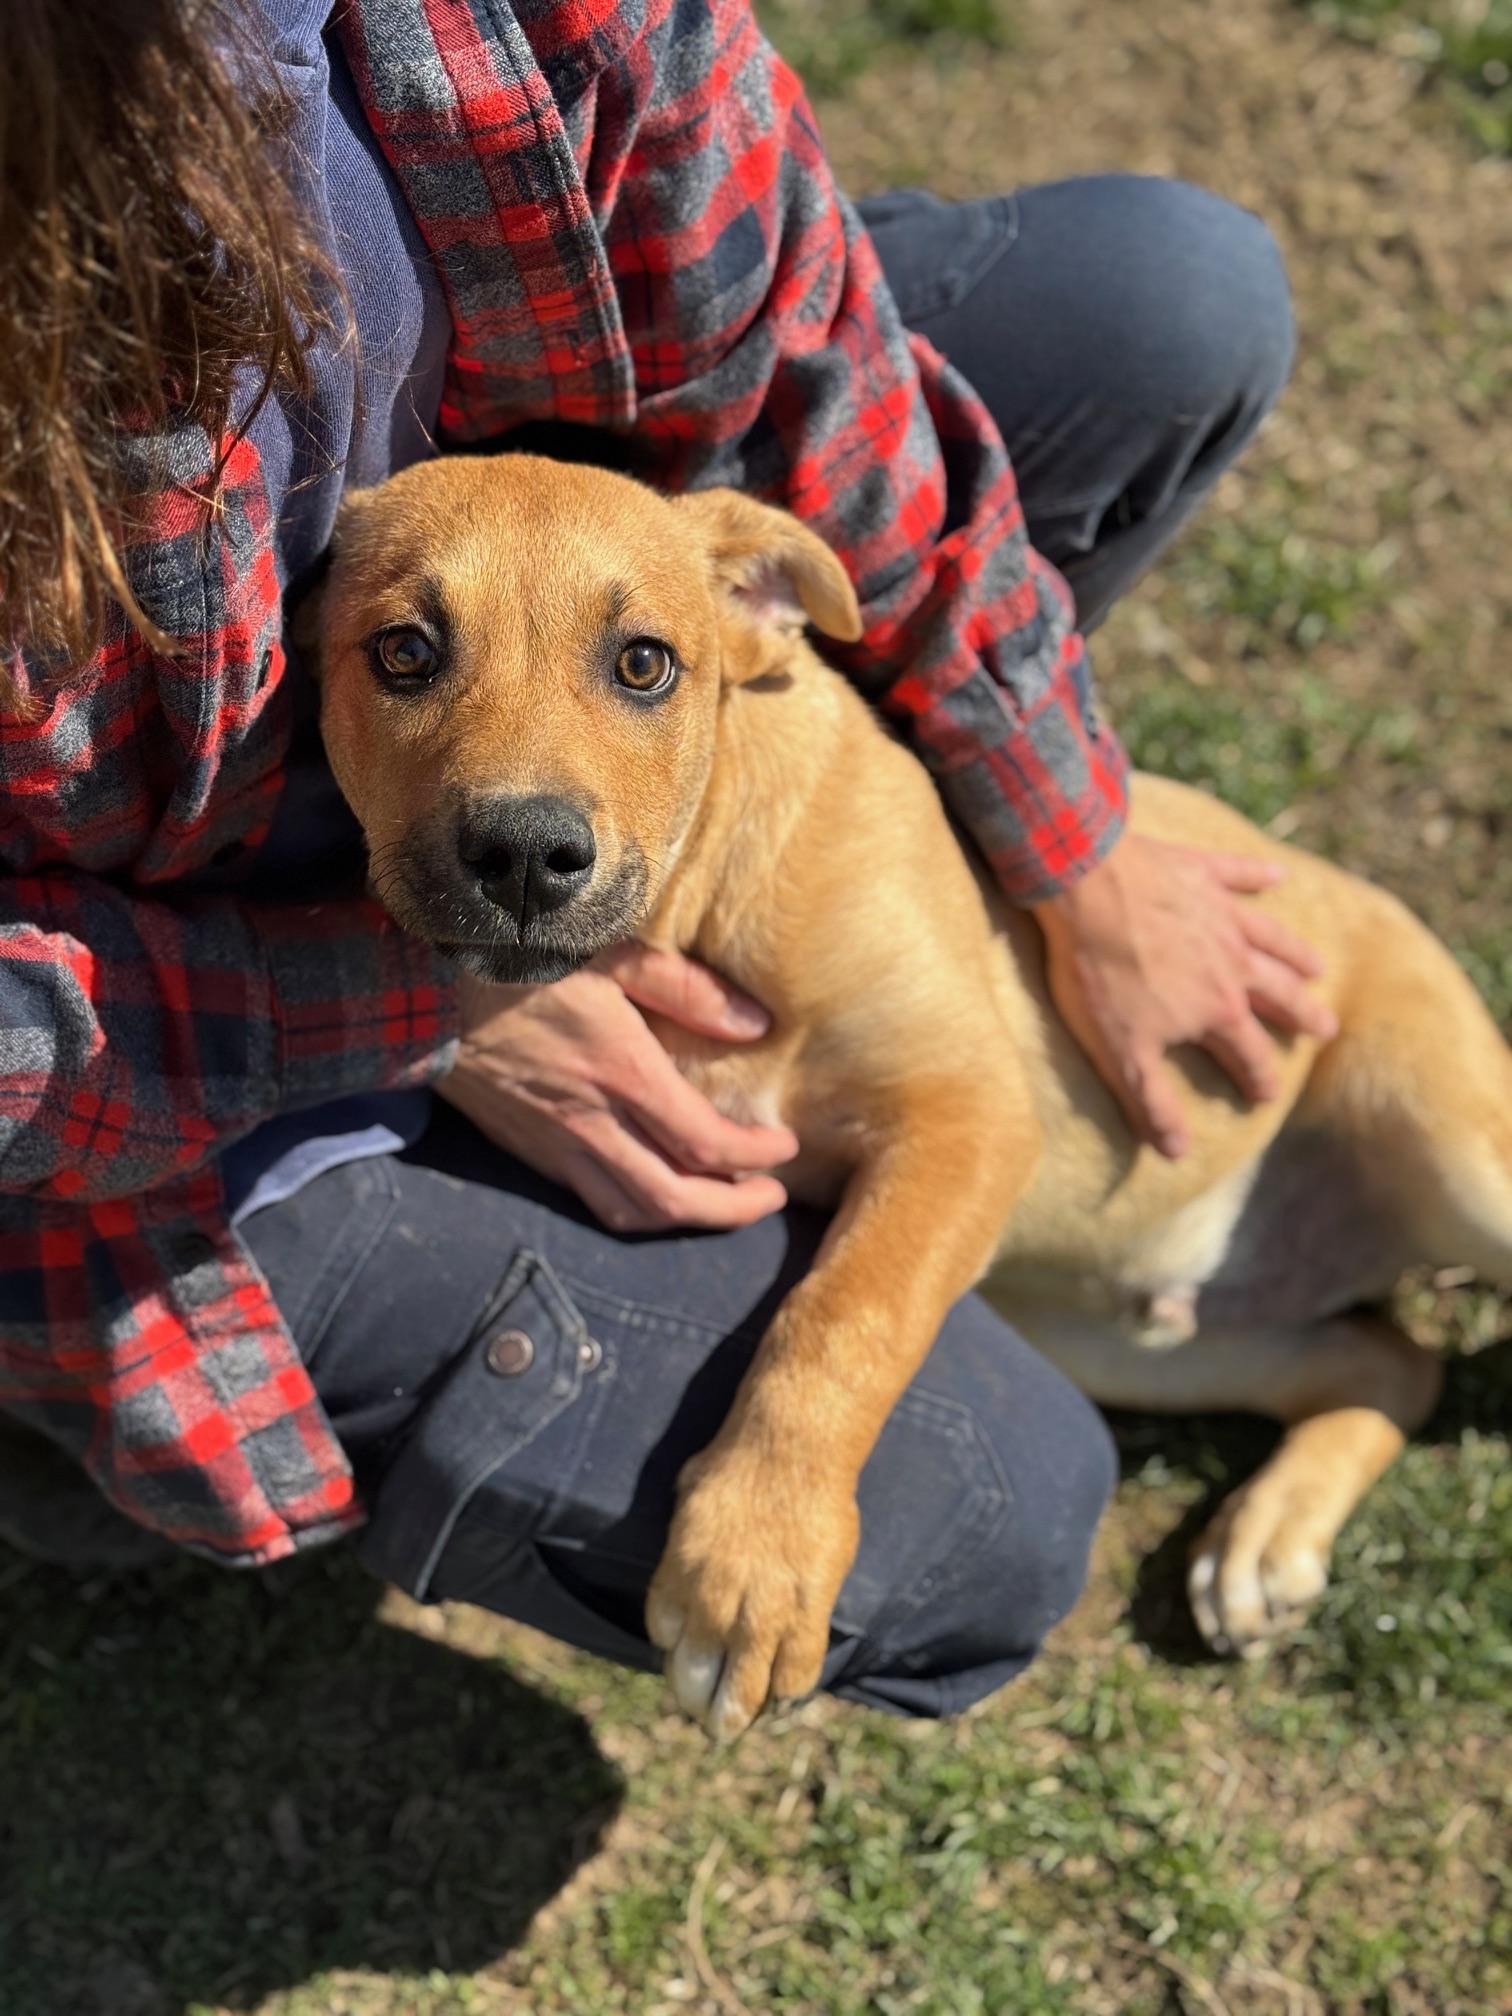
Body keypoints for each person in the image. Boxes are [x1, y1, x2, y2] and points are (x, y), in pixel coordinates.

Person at [0, 0, 1329, 1716]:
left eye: (657, 668)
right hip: (141, 1041)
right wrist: (418, 1007)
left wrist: (1070, 827)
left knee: (1172, 298)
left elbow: (807, 341)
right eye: (403, 654)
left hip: (577, 575)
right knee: (1003, 1508)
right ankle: (71, 1431)